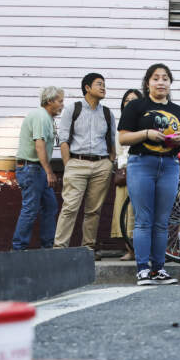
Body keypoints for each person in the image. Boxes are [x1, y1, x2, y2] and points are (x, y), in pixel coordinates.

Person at [118, 63, 180, 285]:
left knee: (162, 222)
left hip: (170, 165)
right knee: (143, 220)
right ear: (148, 82)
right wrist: (147, 133)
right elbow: (123, 138)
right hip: (142, 164)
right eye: (155, 78)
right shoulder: (136, 106)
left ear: (170, 83)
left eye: (165, 78)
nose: (161, 82)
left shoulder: (179, 111)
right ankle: (143, 270)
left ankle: (159, 269)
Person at [54, 73, 116, 257]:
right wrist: (69, 164)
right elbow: (63, 139)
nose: (103, 87)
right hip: (76, 163)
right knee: (70, 207)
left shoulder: (107, 113)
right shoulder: (73, 109)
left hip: (101, 165)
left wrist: (109, 162)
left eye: (104, 84)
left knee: (94, 210)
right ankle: (59, 249)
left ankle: (88, 248)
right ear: (87, 88)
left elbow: (113, 141)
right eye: (99, 84)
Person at [11, 87, 64, 251]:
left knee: (50, 206)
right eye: (60, 101)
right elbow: (39, 146)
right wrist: (49, 171)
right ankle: (18, 249)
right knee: (30, 208)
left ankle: (47, 246)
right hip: (31, 168)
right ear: (50, 101)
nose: (62, 105)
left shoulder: (47, 118)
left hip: (37, 169)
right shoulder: (41, 116)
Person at [113, 89, 142, 261]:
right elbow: (118, 152)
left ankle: (140, 249)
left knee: (138, 212)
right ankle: (130, 249)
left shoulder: (144, 122)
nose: (130, 102)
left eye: (134, 99)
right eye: (127, 100)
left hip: (140, 171)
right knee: (124, 213)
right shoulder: (121, 126)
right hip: (125, 172)